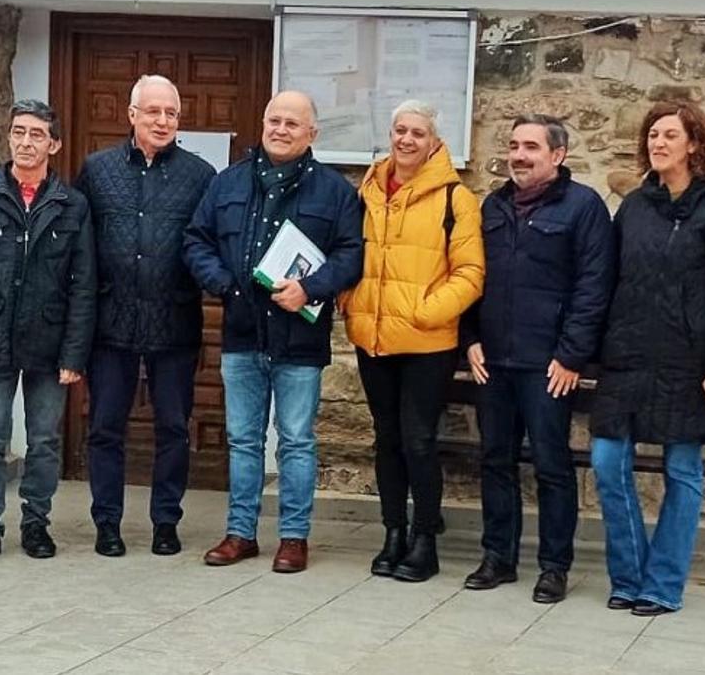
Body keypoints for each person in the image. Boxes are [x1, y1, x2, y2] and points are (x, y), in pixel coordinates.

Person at [184, 91, 363, 574]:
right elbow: (196, 240)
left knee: (297, 440)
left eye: (292, 123)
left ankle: (293, 538)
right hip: (242, 333)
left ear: (312, 134)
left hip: (300, 339)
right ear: (262, 124)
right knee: (243, 439)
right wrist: (222, 282)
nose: (281, 129)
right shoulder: (228, 183)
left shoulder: (336, 191)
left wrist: (310, 288)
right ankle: (241, 533)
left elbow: (351, 255)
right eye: (274, 120)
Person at [590, 100, 705, 615]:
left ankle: (661, 586)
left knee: (682, 472)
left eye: (669, 135)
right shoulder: (636, 205)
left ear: (695, 144)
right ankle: (629, 576)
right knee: (607, 462)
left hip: (689, 365)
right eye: (652, 136)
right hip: (628, 357)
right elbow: (609, 279)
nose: (657, 143)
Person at [459, 114, 614, 602]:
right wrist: (469, 338)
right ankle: (498, 558)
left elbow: (594, 286)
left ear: (558, 155)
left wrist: (571, 355)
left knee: (551, 466)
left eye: (531, 146)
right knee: (495, 461)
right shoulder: (494, 206)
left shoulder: (584, 207)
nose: (519, 155)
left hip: (549, 366)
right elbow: (470, 275)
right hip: (494, 361)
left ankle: (553, 566)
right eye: (514, 145)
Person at [0, 99, 96, 566]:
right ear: (9, 137)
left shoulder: (72, 206)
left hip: (49, 343)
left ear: (54, 144)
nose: (26, 142)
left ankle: (36, 522)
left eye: (36, 134)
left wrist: (74, 353)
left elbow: (84, 284)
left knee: (45, 439)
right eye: (19, 132)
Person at [341, 100, 484, 582]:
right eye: (400, 130)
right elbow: (346, 252)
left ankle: (425, 539)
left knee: (418, 440)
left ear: (434, 141)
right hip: (373, 337)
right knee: (386, 440)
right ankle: (393, 532)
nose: (406, 140)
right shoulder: (367, 190)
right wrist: (348, 299)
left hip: (426, 343)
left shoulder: (454, 198)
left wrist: (424, 312)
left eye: (417, 133)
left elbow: (470, 273)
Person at [76, 74, 215, 558]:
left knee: (174, 427)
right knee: (105, 426)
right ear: (132, 115)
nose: (162, 121)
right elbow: (81, 246)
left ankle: (165, 522)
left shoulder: (201, 175)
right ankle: (107, 523)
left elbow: (210, 243)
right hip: (111, 323)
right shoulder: (97, 170)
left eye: (171, 113)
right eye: (152, 111)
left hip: (174, 323)